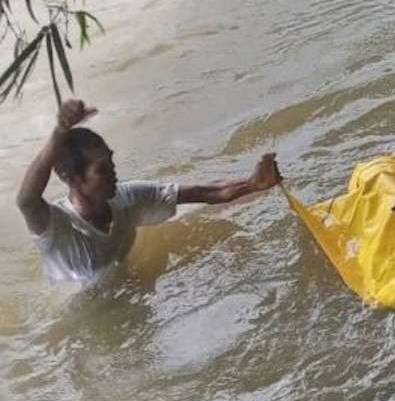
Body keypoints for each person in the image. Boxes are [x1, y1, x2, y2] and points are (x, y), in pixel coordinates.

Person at [16, 99, 283, 284]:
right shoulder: (58, 229)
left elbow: (204, 192)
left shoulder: (126, 198)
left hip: (123, 292)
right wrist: (58, 134)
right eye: (102, 169)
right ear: (72, 179)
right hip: (82, 319)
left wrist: (253, 184)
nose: (114, 172)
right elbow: (27, 200)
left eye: (111, 161)